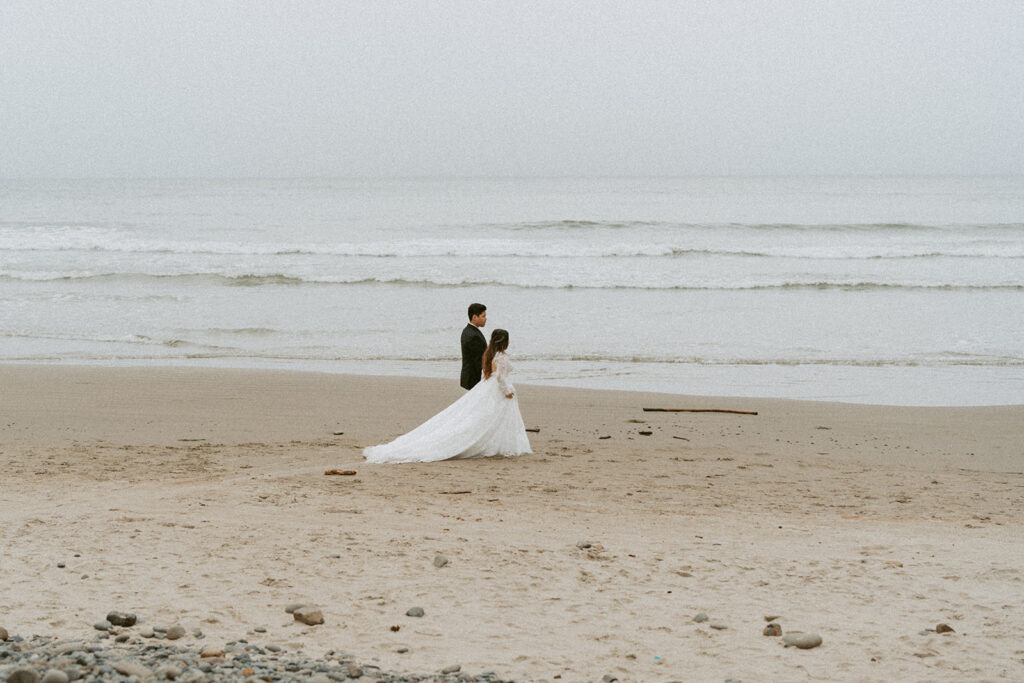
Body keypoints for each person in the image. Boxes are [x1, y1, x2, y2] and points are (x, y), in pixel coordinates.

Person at [363, 329, 531, 463]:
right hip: (498, 388)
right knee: (491, 418)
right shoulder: (501, 356)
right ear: (505, 342)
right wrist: (507, 391)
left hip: (489, 386)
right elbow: (501, 377)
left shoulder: (490, 354)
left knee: (485, 417)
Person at [460, 303, 487, 390]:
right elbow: (478, 360)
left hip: (470, 375)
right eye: (483, 316)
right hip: (473, 377)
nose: (485, 319)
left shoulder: (469, 330)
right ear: (475, 317)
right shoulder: (473, 335)